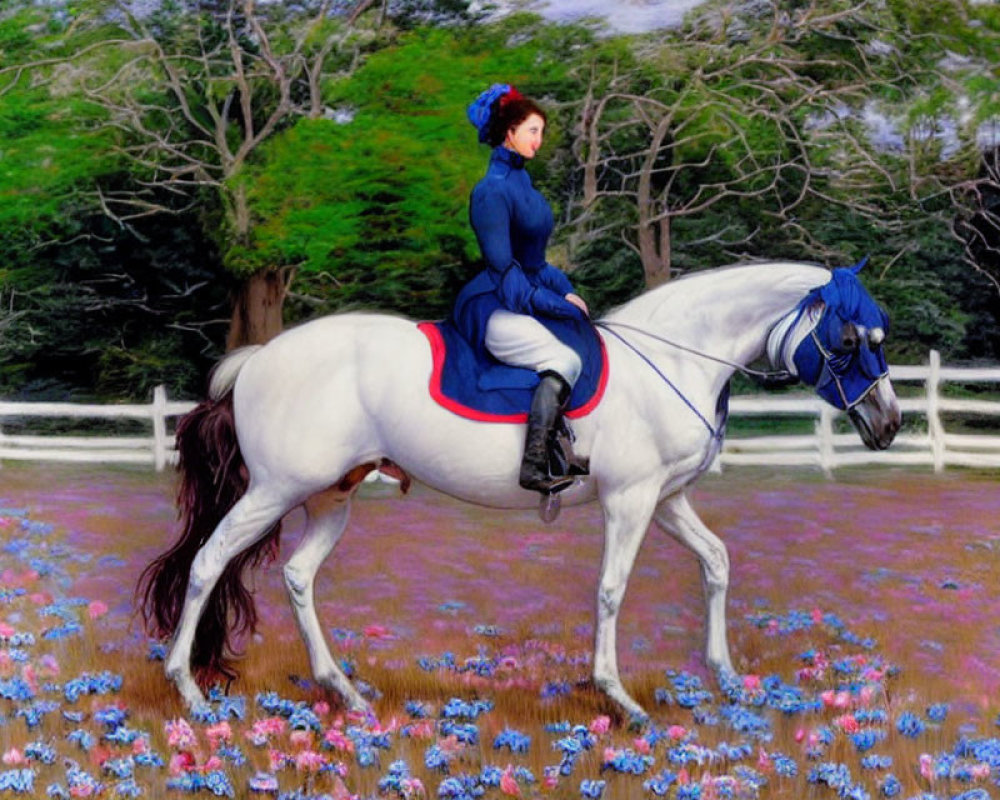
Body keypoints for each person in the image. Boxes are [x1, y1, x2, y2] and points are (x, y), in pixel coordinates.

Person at [453, 83, 590, 495]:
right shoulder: (491, 191)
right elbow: (508, 275)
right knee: (563, 360)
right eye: (532, 131)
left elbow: (536, 261)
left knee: (583, 340)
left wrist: (566, 291)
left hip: (524, 291)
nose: (538, 140)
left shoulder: (523, 185)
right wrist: (557, 306)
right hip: (493, 303)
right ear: (509, 132)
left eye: (541, 132)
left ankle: (561, 446)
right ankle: (533, 467)